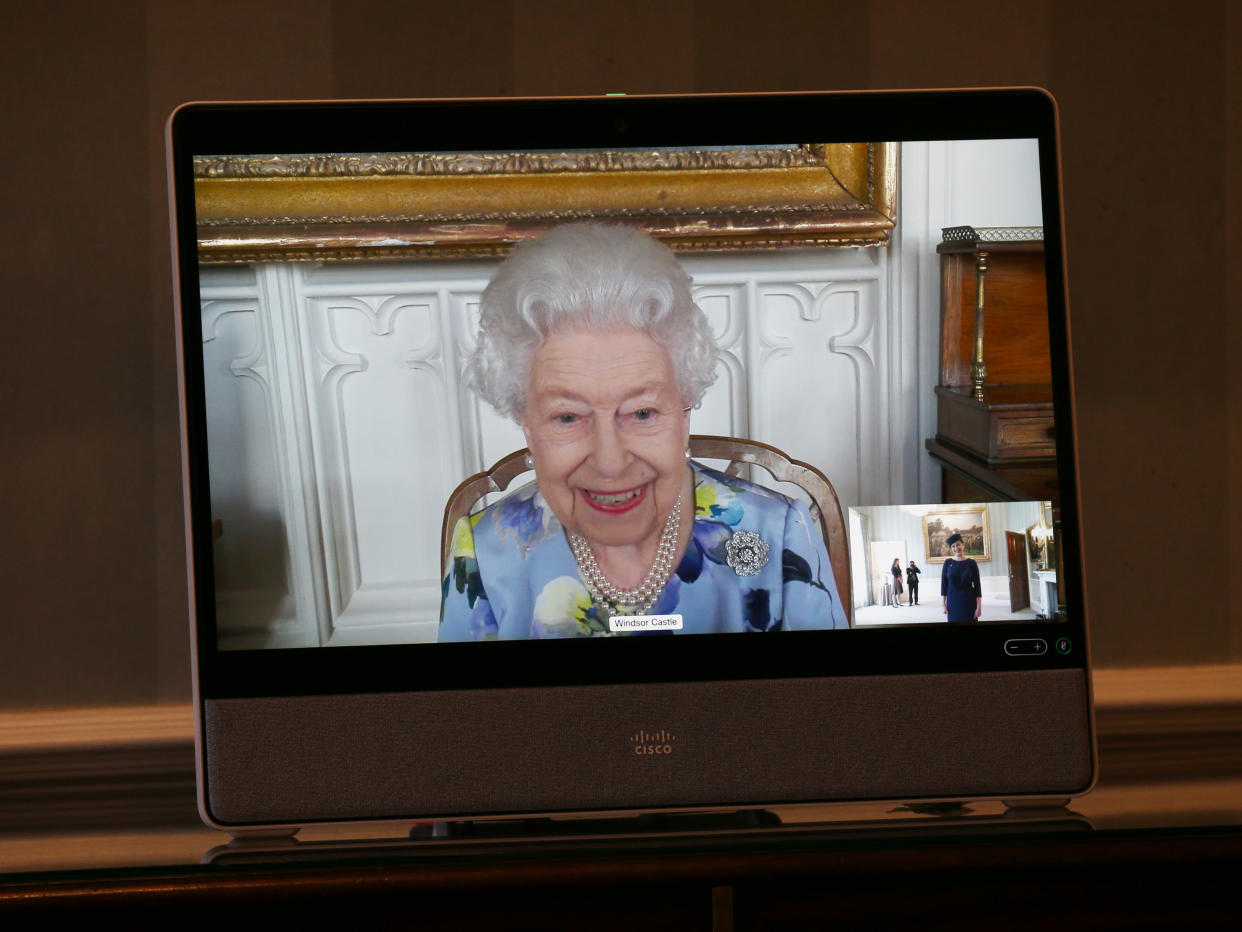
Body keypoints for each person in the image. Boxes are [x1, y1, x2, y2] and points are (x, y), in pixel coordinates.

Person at [439, 223, 848, 640]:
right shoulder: (485, 556)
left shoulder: (776, 535)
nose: (610, 463)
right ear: (526, 422)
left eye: (641, 413)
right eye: (567, 417)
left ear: (683, 412)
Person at [940, 532, 982, 622]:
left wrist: (979, 607)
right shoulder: (947, 563)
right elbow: (944, 586)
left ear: (963, 545)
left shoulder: (972, 563)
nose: (956, 548)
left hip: (969, 602)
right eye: (953, 546)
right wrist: (943, 605)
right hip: (953, 602)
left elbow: (977, 587)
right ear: (951, 548)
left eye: (958, 545)